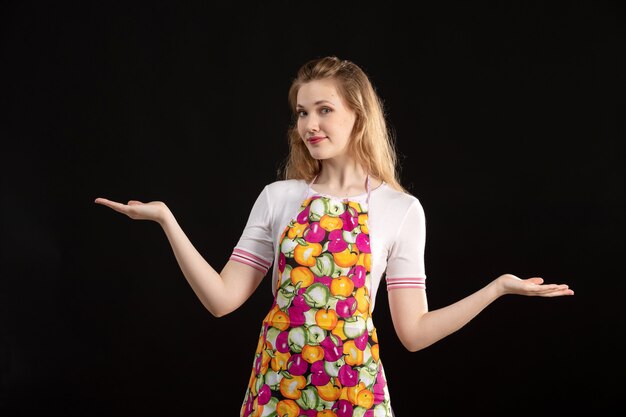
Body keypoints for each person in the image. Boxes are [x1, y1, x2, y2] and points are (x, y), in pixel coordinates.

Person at [94, 56, 574, 417]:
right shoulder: (279, 197)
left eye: (324, 110)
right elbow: (222, 300)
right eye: (302, 113)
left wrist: (496, 289)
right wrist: (166, 220)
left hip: (355, 393)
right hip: (277, 387)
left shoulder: (401, 209)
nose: (310, 125)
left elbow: (413, 333)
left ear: (359, 115)